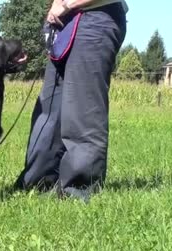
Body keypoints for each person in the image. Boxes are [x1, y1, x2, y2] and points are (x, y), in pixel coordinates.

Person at [14, 0, 128, 203]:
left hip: (97, 17)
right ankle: (37, 183)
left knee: (83, 112)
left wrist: (67, 4)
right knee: (49, 110)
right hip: (66, 21)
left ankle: (77, 190)